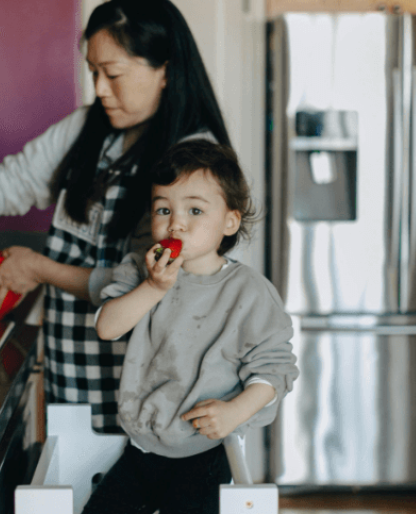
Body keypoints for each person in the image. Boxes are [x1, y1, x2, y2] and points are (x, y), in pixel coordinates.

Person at [0, 0, 232, 433]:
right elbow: (12, 181)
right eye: (93, 72)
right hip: (75, 375)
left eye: (113, 73)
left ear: (165, 70)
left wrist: (40, 269)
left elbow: (153, 280)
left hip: (148, 390)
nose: (100, 89)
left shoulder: (195, 161)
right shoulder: (90, 128)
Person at [83, 140, 298, 514]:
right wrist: (153, 287)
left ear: (230, 221)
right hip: (142, 445)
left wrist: (235, 411)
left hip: (207, 451)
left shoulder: (249, 292)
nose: (176, 222)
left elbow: (275, 370)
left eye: (194, 209)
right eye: (163, 208)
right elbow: (107, 327)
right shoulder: (140, 269)